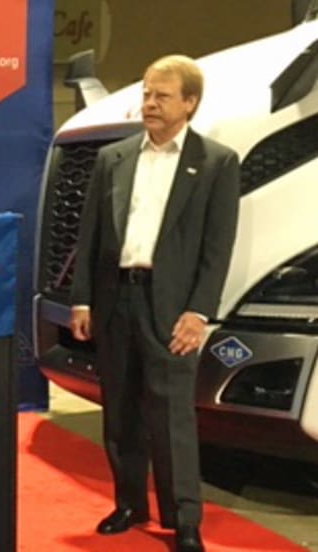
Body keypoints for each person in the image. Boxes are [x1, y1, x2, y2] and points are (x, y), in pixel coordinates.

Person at [69, 55, 240, 552]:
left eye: (162, 96)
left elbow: (217, 247)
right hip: (114, 300)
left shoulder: (216, 162)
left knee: (171, 418)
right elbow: (90, 235)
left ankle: (183, 519)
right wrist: (82, 300)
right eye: (146, 93)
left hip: (171, 308)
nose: (149, 103)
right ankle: (128, 504)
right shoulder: (114, 158)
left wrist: (199, 312)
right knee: (119, 411)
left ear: (189, 103)